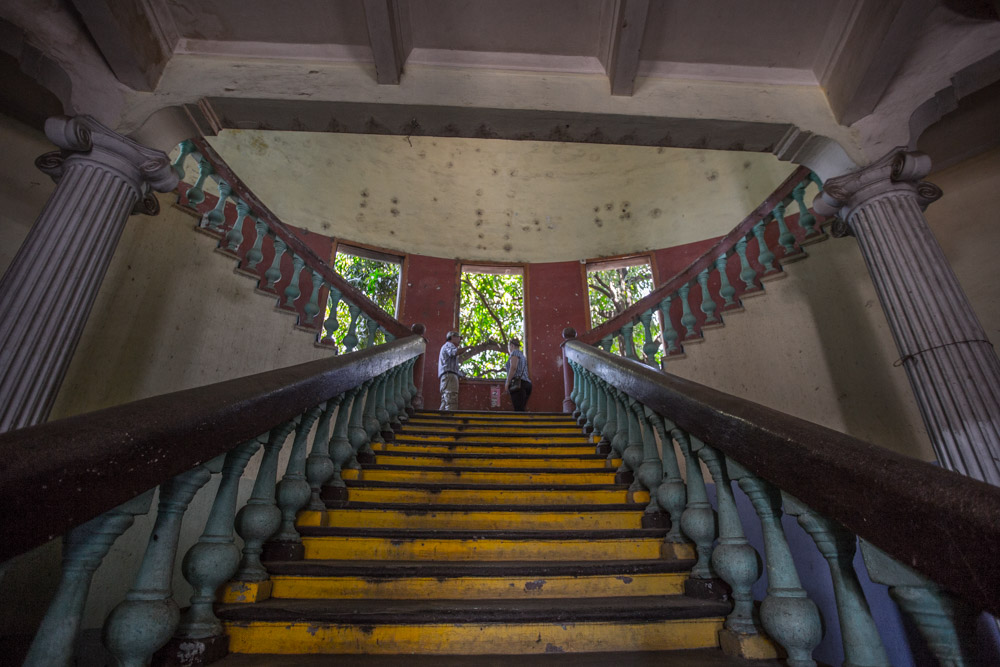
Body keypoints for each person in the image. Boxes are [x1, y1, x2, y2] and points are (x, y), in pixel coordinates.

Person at [438, 331, 470, 411]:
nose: (460, 340)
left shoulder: (445, 347)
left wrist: (461, 374)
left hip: (446, 376)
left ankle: (440, 421)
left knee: (445, 401)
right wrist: (467, 348)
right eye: (459, 338)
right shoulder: (449, 345)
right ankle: (450, 421)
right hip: (450, 376)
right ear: (452, 337)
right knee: (451, 400)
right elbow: (455, 352)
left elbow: (452, 366)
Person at [505, 338, 532, 412]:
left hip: (518, 384)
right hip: (527, 384)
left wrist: (507, 382)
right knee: (521, 408)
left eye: (509, 347)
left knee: (518, 409)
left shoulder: (514, 353)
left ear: (512, 346)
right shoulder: (522, 356)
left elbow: (513, 367)